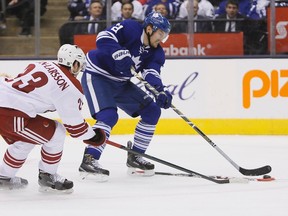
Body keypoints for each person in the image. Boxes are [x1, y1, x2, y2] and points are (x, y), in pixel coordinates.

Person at [79, 12, 172, 181]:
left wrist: (159, 90)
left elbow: (151, 72)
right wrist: (117, 52)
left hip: (120, 82)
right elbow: (103, 37)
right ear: (150, 29)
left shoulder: (156, 53)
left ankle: (135, 156)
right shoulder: (130, 28)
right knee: (108, 116)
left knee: (152, 111)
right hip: (97, 74)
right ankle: (90, 159)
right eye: (161, 34)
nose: (162, 39)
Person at [0, 44, 106, 191]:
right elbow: (75, 127)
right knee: (57, 133)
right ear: (74, 64)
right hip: (10, 113)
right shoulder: (70, 86)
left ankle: (4, 177)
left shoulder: (43, 64)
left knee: (26, 140)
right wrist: (94, 137)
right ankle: (48, 176)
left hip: (6, 102)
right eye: (79, 65)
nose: (80, 69)